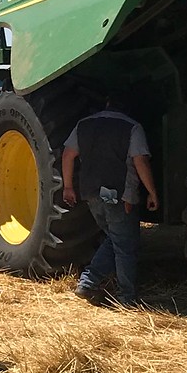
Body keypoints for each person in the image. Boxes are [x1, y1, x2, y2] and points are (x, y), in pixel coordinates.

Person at [61, 97, 159, 307]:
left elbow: (68, 155)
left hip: (91, 195)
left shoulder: (83, 125)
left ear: (107, 103)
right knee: (125, 246)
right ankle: (126, 297)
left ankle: (88, 282)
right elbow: (140, 161)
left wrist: (68, 187)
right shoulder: (132, 127)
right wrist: (152, 192)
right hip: (121, 196)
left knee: (116, 239)